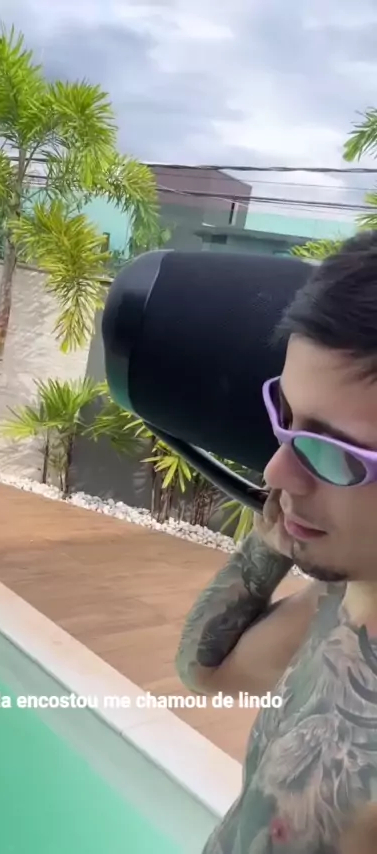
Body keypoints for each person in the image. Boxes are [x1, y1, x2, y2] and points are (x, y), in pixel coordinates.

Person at [175, 231, 377, 854]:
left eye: (333, 452)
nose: (275, 470)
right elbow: (206, 671)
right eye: (285, 417)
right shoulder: (345, 599)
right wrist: (273, 542)